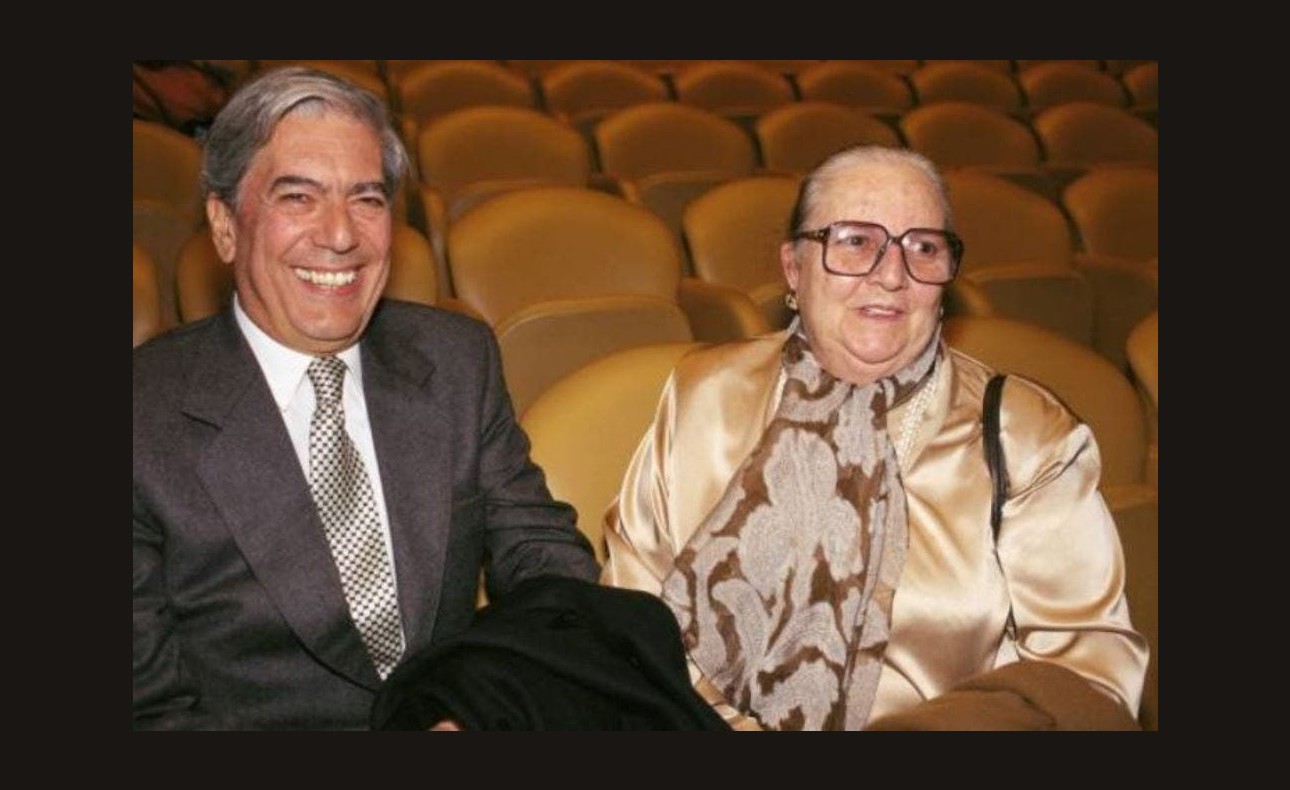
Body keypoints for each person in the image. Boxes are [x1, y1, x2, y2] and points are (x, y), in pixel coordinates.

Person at [601, 144, 1148, 730]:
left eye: (923, 248)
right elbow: (630, 617)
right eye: (856, 241)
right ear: (793, 267)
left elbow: (1088, 678)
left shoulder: (1027, 436)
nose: (892, 276)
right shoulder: (704, 393)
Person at [132, 66, 600, 730]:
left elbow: (547, 560)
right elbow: (148, 712)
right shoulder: (141, 416)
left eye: (368, 199)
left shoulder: (455, 360)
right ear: (225, 224)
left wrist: (494, 705)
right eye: (298, 197)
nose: (342, 235)